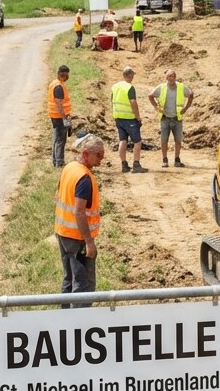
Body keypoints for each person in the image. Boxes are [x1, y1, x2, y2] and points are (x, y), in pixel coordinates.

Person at [54, 133, 105, 306]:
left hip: (63, 233)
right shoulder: (84, 179)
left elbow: (58, 195)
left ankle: (65, 321)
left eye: (102, 155)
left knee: (69, 279)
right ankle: (79, 325)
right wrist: (89, 242)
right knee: (83, 285)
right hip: (77, 239)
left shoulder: (69, 168)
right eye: (98, 155)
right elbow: (79, 212)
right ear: (85, 154)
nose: (101, 159)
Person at [149, 69, 194, 168]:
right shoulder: (162, 87)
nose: (171, 78)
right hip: (165, 118)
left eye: (173, 76)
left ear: (175, 77)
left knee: (178, 140)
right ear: (166, 78)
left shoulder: (181, 87)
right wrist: (156, 107)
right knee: (164, 140)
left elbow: (190, 94)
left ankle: (177, 159)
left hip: (177, 118)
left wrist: (186, 108)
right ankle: (165, 159)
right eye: (169, 76)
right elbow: (150, 95)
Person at [111, 65, 147, 172]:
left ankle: (124, 164)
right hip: (129, 118)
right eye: (133, 75)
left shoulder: (115, 86)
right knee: (137, 141)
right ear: (130, 75)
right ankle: (136, 164)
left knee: (123, 140)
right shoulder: (129, 87)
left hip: (118, 118)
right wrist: (138, 117)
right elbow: (133, 103)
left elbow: (112, 100)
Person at [47, 64, 72, 168]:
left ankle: (55, 161)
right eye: (66, 75)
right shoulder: (58, 87)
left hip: (55, 115)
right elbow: (59, 103)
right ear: (64, 75)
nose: (67, 77)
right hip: (59, 116)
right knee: (60, 140)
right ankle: (59, 162)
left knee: (57, 138)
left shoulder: (55, 83)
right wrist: (64, 118)